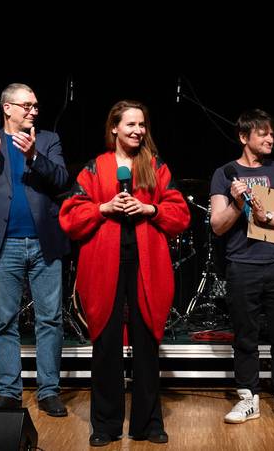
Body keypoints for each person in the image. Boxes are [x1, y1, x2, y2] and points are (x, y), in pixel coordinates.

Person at [60, 100, 190, 447]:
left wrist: (150, 208)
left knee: (147, 342)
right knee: (106, 344)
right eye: (130, 124)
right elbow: (70, 216)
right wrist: (104, 207)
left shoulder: (155, 166)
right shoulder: (94, 168)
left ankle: (149, 424)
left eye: (142, 125)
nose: (137, 131)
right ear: (114, 128)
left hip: (147, 262)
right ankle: (105, 424)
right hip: (104, 262)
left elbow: (180, 212)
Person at [0, 83, 70, 415]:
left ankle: (48, 391)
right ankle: (10, 392)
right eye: (27, 106)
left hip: (44, 242)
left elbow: (61, 180)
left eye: (36, 106)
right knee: (4, 322)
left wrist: (34, 157)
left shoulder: (47, 140)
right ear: (7, 108)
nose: (33, 111)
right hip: (4, 243)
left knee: (50, 319)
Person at [209, 109, 274, 427]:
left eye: (272, 134)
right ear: (244, 137)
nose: (270, 138)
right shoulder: (225, 173)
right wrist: (238, 205)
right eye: (262, 133)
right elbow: (217, 226)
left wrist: (269, 218)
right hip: (241, 265)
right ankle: (247, 398)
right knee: (245, 336)